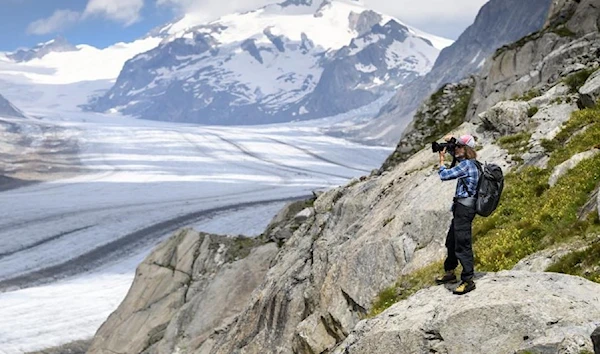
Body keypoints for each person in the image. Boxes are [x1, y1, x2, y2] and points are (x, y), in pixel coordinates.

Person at [435, 134, 479, 295]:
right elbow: (458, 156)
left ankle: (468, 280)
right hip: (461, 208)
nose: (456, 150)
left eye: (459, 147)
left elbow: (444, 175)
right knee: (452, 241)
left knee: (462, 243)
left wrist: (441, 161)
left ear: (466, 149)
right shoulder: (470, 163)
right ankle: (450, 272)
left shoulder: (467, 165)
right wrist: (451, 143)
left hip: (464, 209)